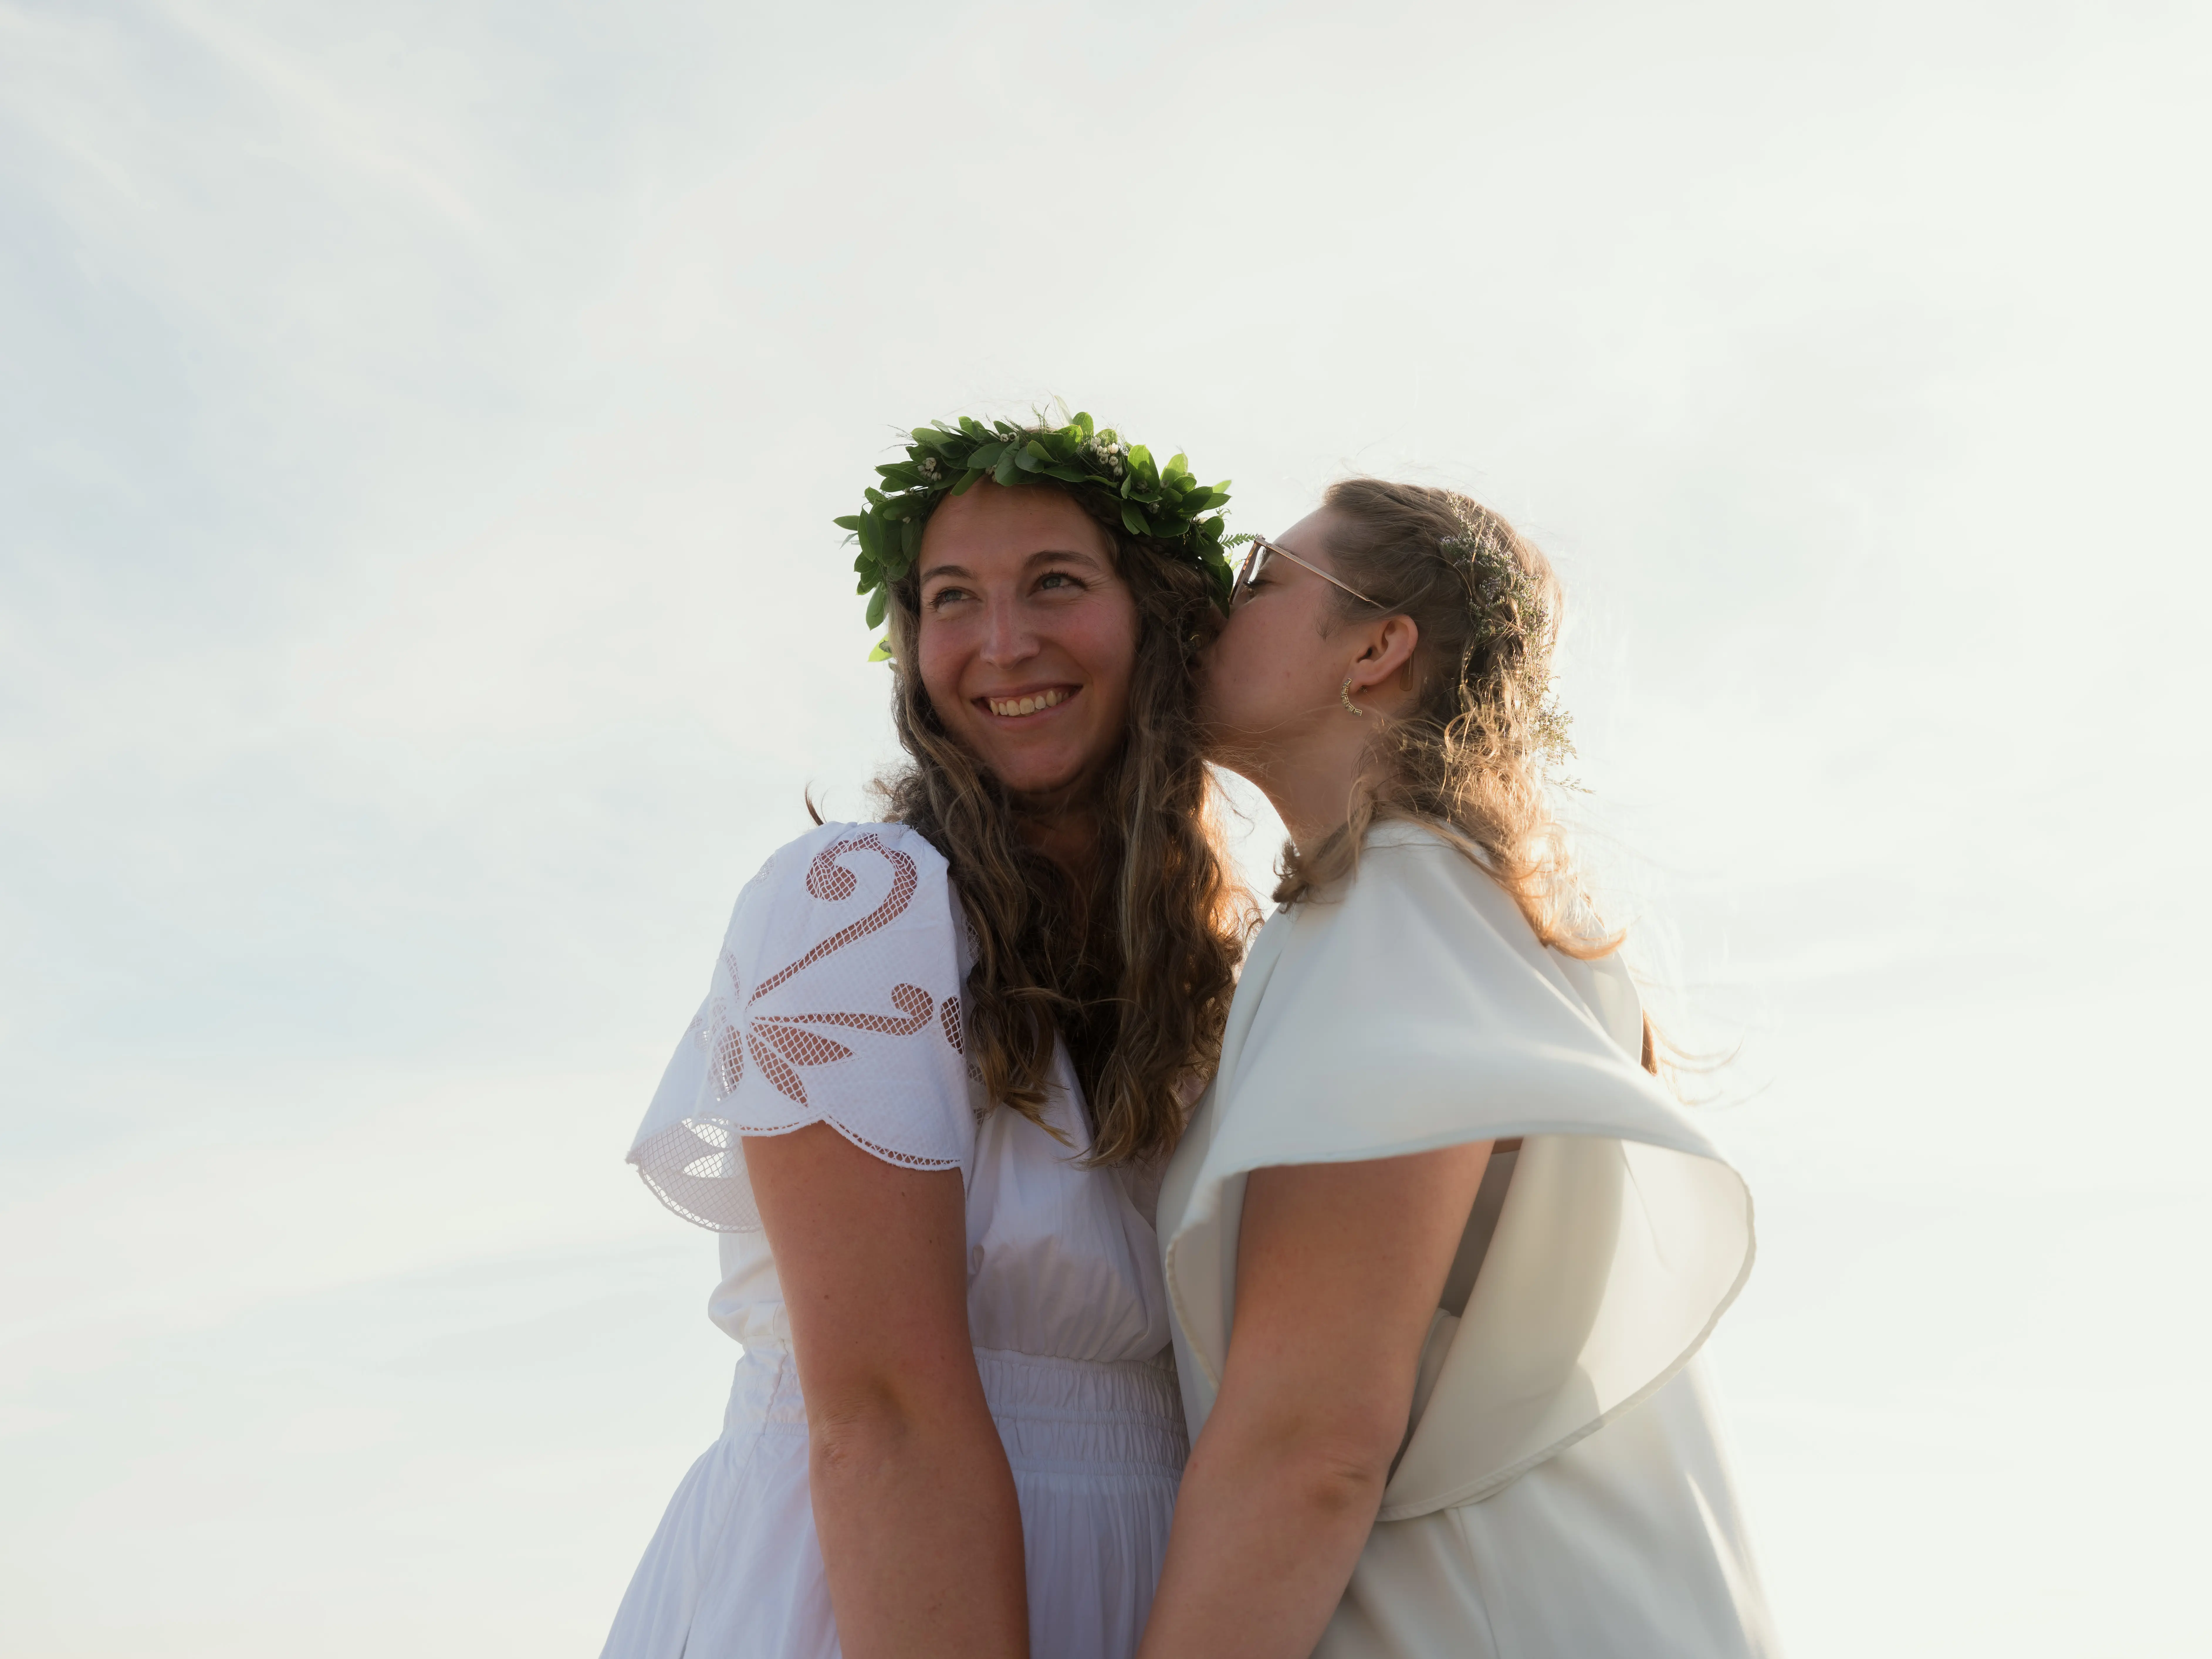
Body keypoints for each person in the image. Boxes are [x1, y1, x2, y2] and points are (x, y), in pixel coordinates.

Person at [602, 413, 1253, 1659]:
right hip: (878, 1584)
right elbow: (882, 1412)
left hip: (1153, 1574)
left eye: (1054, 583)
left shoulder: (1214, 972)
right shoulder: (863, 901)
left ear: (1157, 621)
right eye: (953, 599)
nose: (1002, 644)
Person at [1141, 479, 1780, 1658]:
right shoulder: (1458, 911)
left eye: (1262, 580)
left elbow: (1310, 1446)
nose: (1206, 615)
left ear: (1377, 649)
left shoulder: (1393, 915)